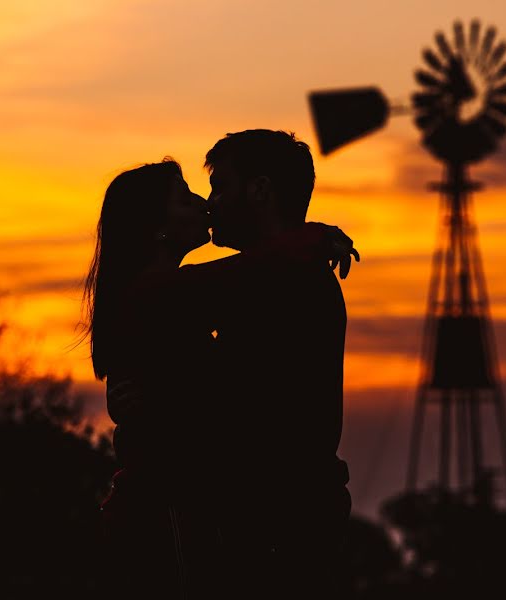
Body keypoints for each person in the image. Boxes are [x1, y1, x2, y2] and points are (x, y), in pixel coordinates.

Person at [81, 157, 357, 598]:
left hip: (174, 518)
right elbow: (249, 272)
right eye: (186, 196)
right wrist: (314, 235)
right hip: (168, 519)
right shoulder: (162, 294)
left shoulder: (169, 295)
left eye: (212, 190)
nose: (204, 204)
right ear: (158, 227)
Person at [205, 129, 353, 599]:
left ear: (261, 190)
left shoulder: (277, 285)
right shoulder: (288, 275)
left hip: (273, 534)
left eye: (221, 187)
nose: (211, 203)